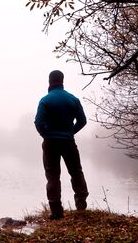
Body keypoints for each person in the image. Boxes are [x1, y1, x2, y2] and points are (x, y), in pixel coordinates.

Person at [34, 70, 89, 220]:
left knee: (53, 176)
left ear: (49, 81)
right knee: (76, 172)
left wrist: (45, 134)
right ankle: (81, 206)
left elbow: (38, 122)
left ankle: (56, 211)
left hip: (50, 143)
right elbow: (82, 121)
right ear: (62, 81)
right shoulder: (73, 99)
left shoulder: (45, 100)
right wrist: (70, 132)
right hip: (68, 142)